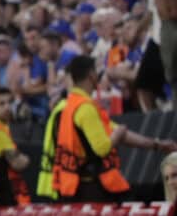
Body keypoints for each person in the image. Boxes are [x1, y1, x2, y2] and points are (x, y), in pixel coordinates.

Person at [36, 54, 176, 202]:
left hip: (73, 186)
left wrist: (157, 144)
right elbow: (102, 148)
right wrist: (118, 133)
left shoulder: (69, 105)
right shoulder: (85, 108)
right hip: (92, 187)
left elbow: (123, 134)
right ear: (91, 75)